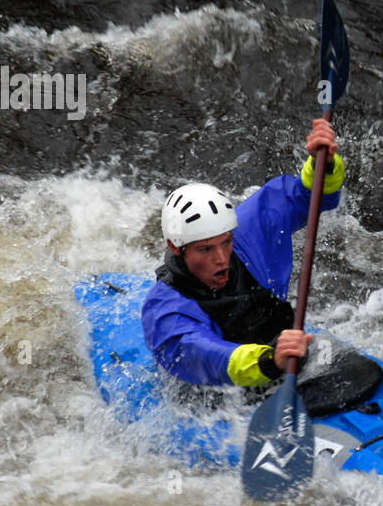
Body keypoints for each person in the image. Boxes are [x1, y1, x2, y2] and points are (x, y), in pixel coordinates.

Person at [141, 119, 343, 388]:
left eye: (226, 242)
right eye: (205, 249)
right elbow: (205, 356)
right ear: (175, 247)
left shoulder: (249, 230)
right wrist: (269, 361)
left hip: (280, 355)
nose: (222, 258)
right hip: (216, 393)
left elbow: (308, 196)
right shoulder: (165, 311)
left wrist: (323, 164)